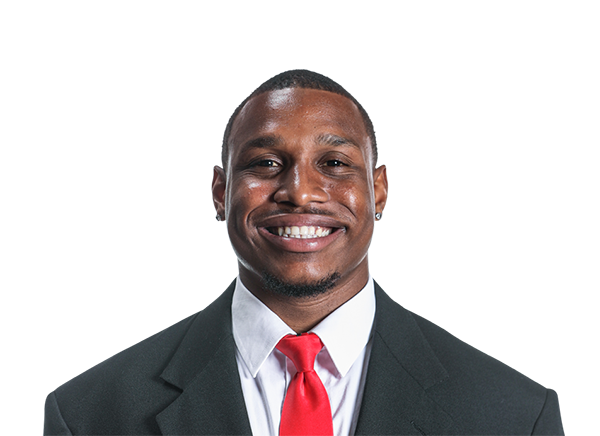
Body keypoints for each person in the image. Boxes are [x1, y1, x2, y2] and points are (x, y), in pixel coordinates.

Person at [43, 70, 560, 435]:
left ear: (378, 192)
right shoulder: (86, 416)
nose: (301, 192)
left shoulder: (518, 417)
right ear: (220, 193)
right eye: (266, 163)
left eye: (334, 163)